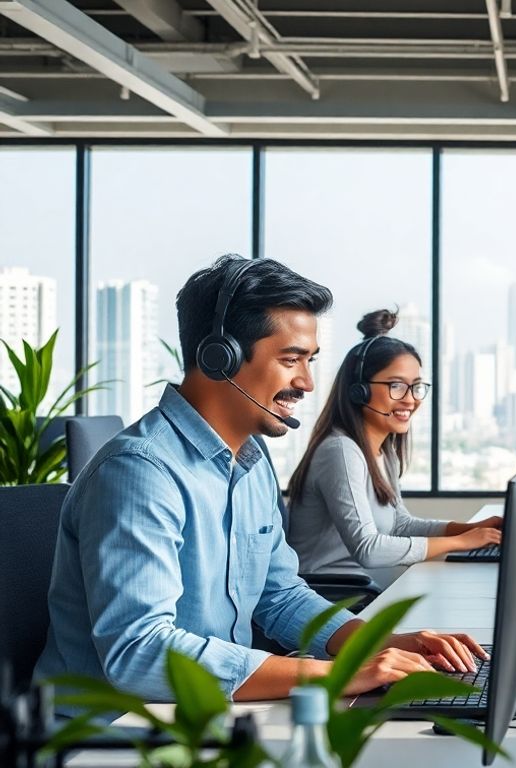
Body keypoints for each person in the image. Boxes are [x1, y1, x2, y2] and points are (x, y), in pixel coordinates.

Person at [36, 256, 487, 706]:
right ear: (219, 357)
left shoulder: (250, 463)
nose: (307, 383)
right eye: (291, 359)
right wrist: (334, 675)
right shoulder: (141, 473)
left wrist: (378, 644)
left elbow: (281, 596)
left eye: (309, 361)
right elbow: (140, 652)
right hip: (108, 734)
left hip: (202, 715)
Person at [287, 309, 501, 587]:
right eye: (396, 386)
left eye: (417, 387)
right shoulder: (340, 451)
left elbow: (400, 525)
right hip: (330, 597)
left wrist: (472, 529)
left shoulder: (383, 452)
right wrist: (460, 542)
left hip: (364, 591)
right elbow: (368, 549)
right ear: (358, 390)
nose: (411, 399)